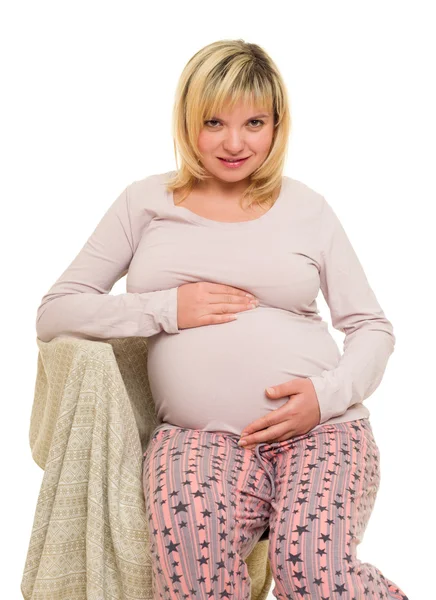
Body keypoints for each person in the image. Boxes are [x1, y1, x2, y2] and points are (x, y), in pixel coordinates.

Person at [36, 39, 409, 600]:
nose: (234, 143)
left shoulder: (307, 207)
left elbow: (372, 327)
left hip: (320, 430)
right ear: (188, 122)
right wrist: (165, 309)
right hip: (195, 441)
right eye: (214, 122)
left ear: (277, 125)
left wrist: (325, 396)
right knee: (196, 584)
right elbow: (55, 310)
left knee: (314, 573)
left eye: (254, 122)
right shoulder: (145, 202)